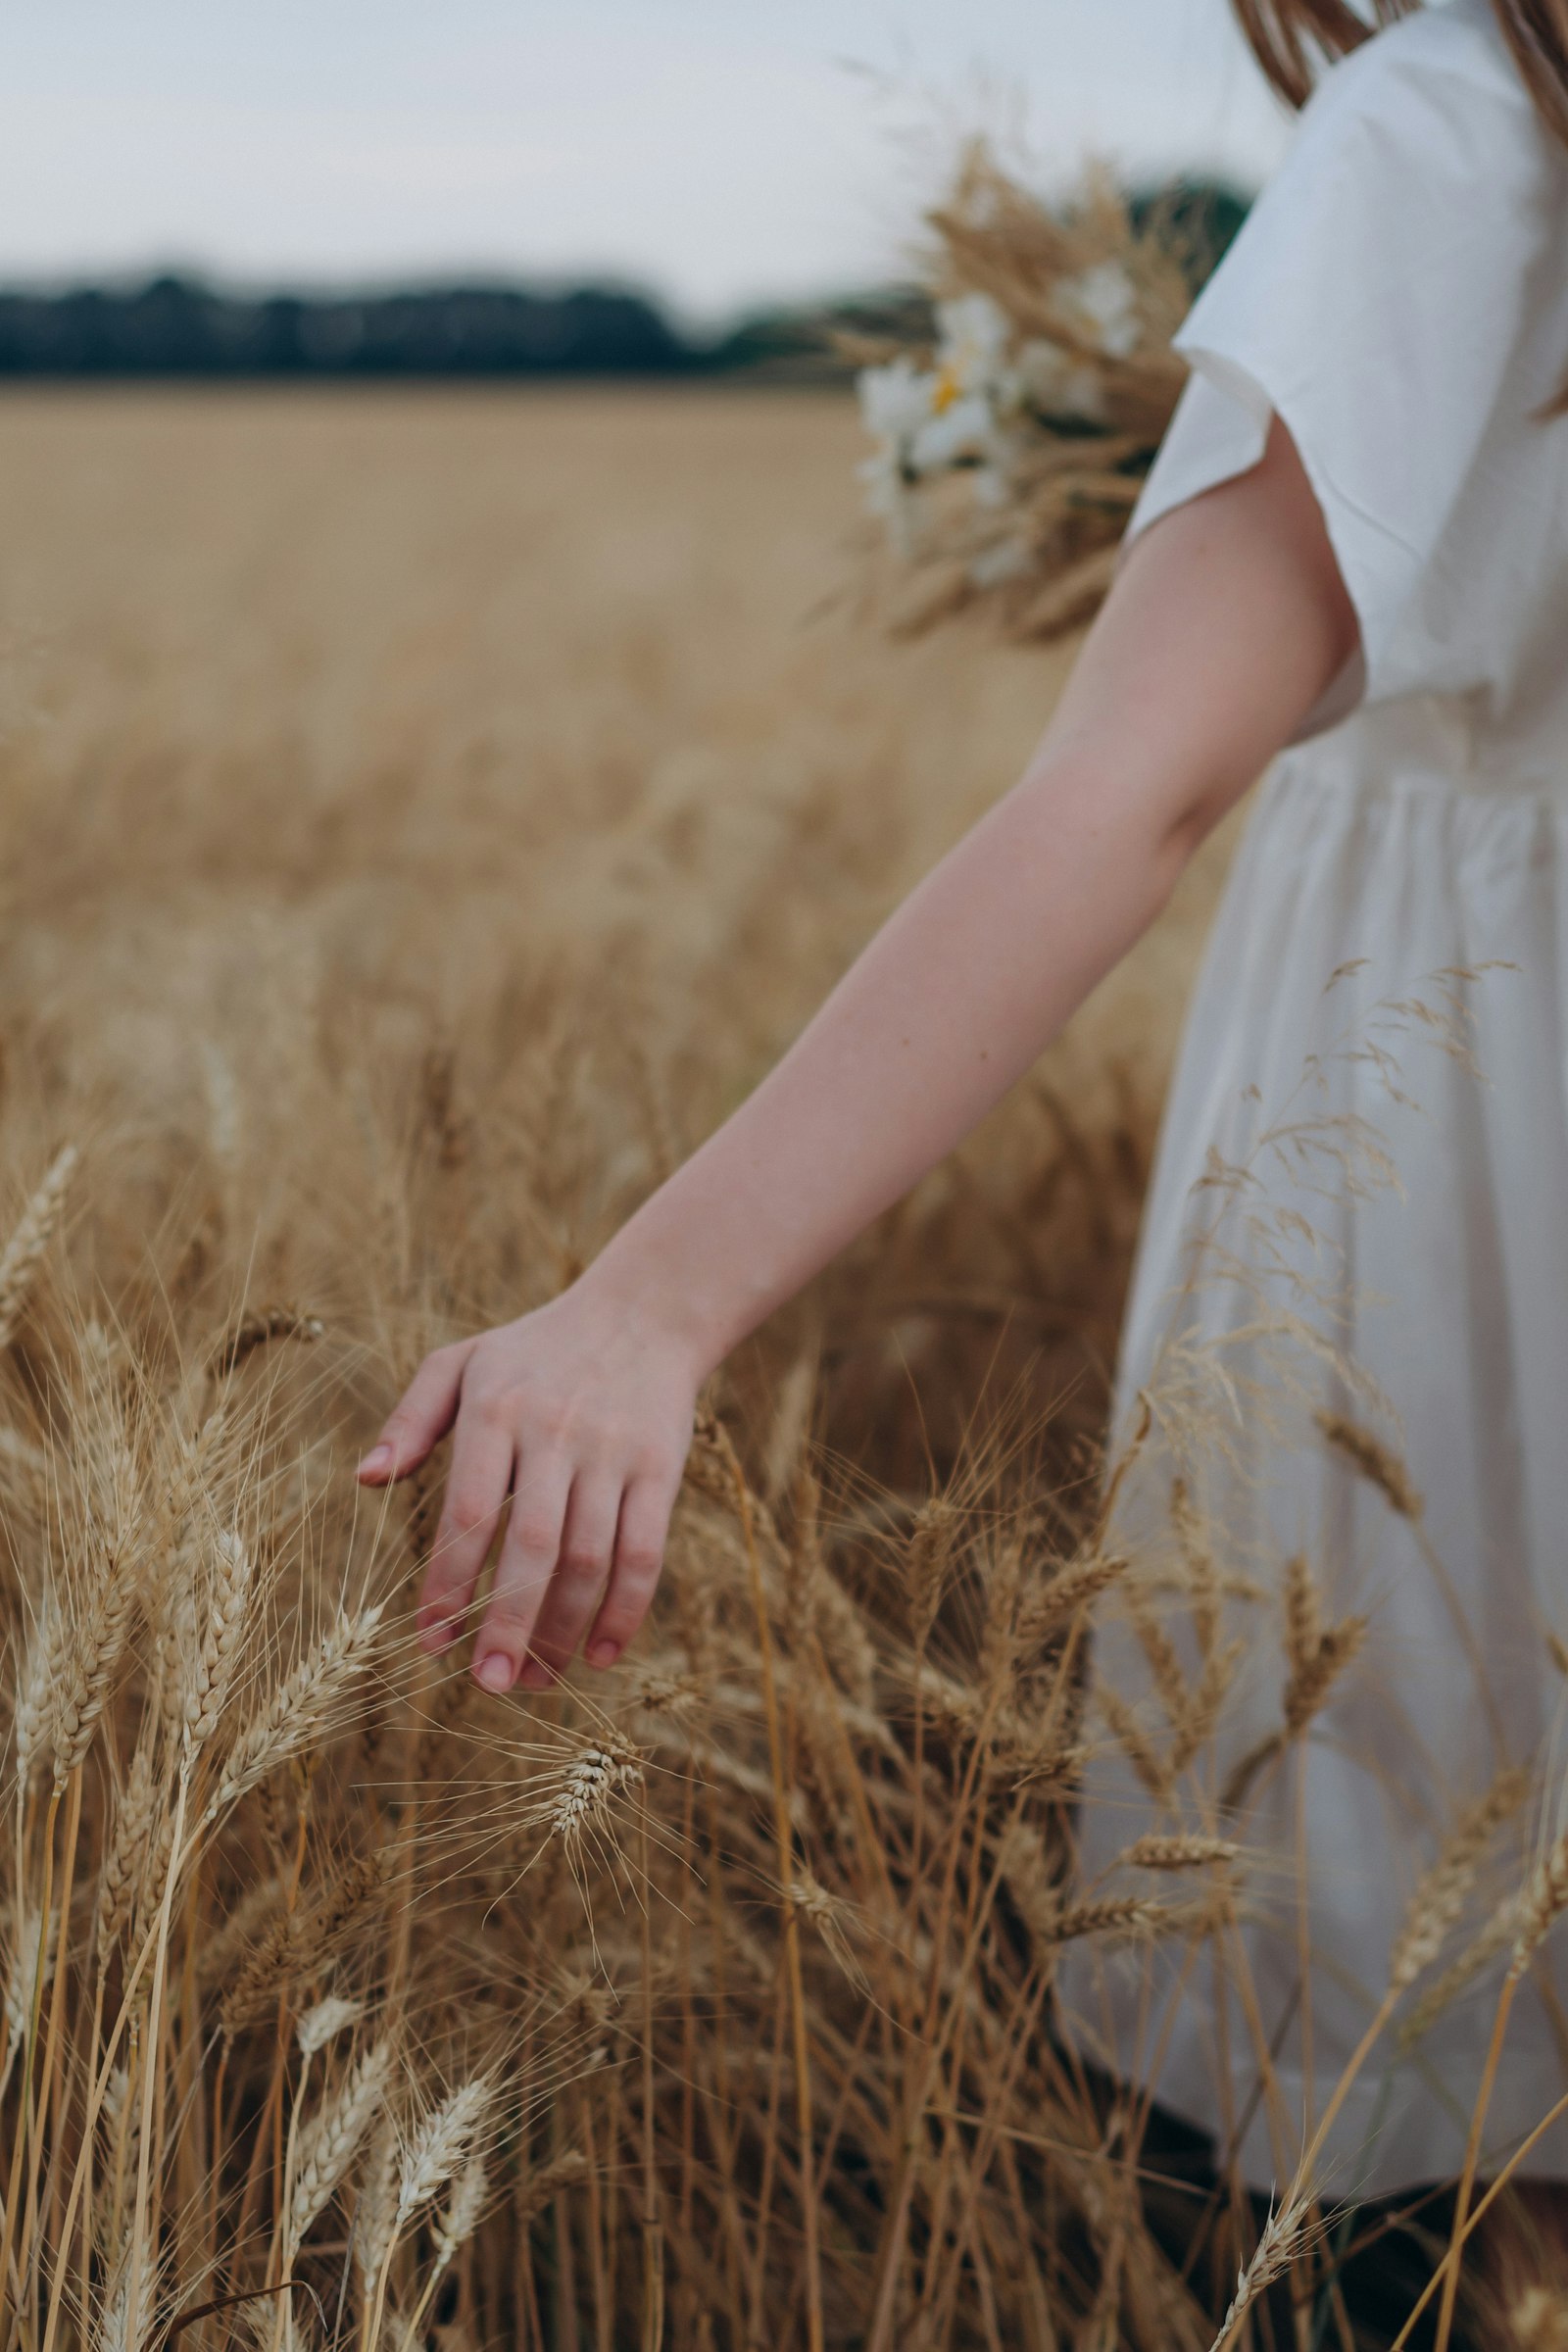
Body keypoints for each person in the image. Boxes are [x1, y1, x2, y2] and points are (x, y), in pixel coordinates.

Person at [359, 0, 1568, 2218]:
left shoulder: (1450, 132)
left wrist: (647, 1303)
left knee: (1428, 1996)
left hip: (1453, 1137)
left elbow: (1132, 781)